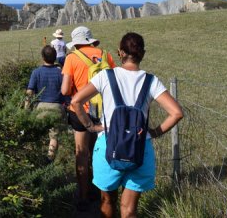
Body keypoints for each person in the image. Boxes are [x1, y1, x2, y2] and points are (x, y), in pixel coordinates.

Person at [70, 32, 183, 218]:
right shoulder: (151, 81)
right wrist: (153, 132)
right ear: (143, 54)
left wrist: (91, 126)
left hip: (108, 144)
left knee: (107, 201)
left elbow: (76, 101)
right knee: (129, 210)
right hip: (139, 147)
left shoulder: (105, 76)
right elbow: (176, 113)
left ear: (120, 53)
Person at [61, 26, 116, 210]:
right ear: (91, 40)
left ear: (76, 42)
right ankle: (101, 194)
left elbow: (65, 90)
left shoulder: (71, 58)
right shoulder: (106, 55)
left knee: (82, 153)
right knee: (98, 153)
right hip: (103, 112)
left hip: (80, 111)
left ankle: (83, 196)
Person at [25, 45, 65, 161]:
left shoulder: (36, 72)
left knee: (37, 134)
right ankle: (49, 159)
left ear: (42, 57)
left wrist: (26, 110)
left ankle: (34, 159)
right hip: (57, 107)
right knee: (54, 136)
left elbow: (29, 92)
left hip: (40, 107)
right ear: (55, 57)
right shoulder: (60, 73)